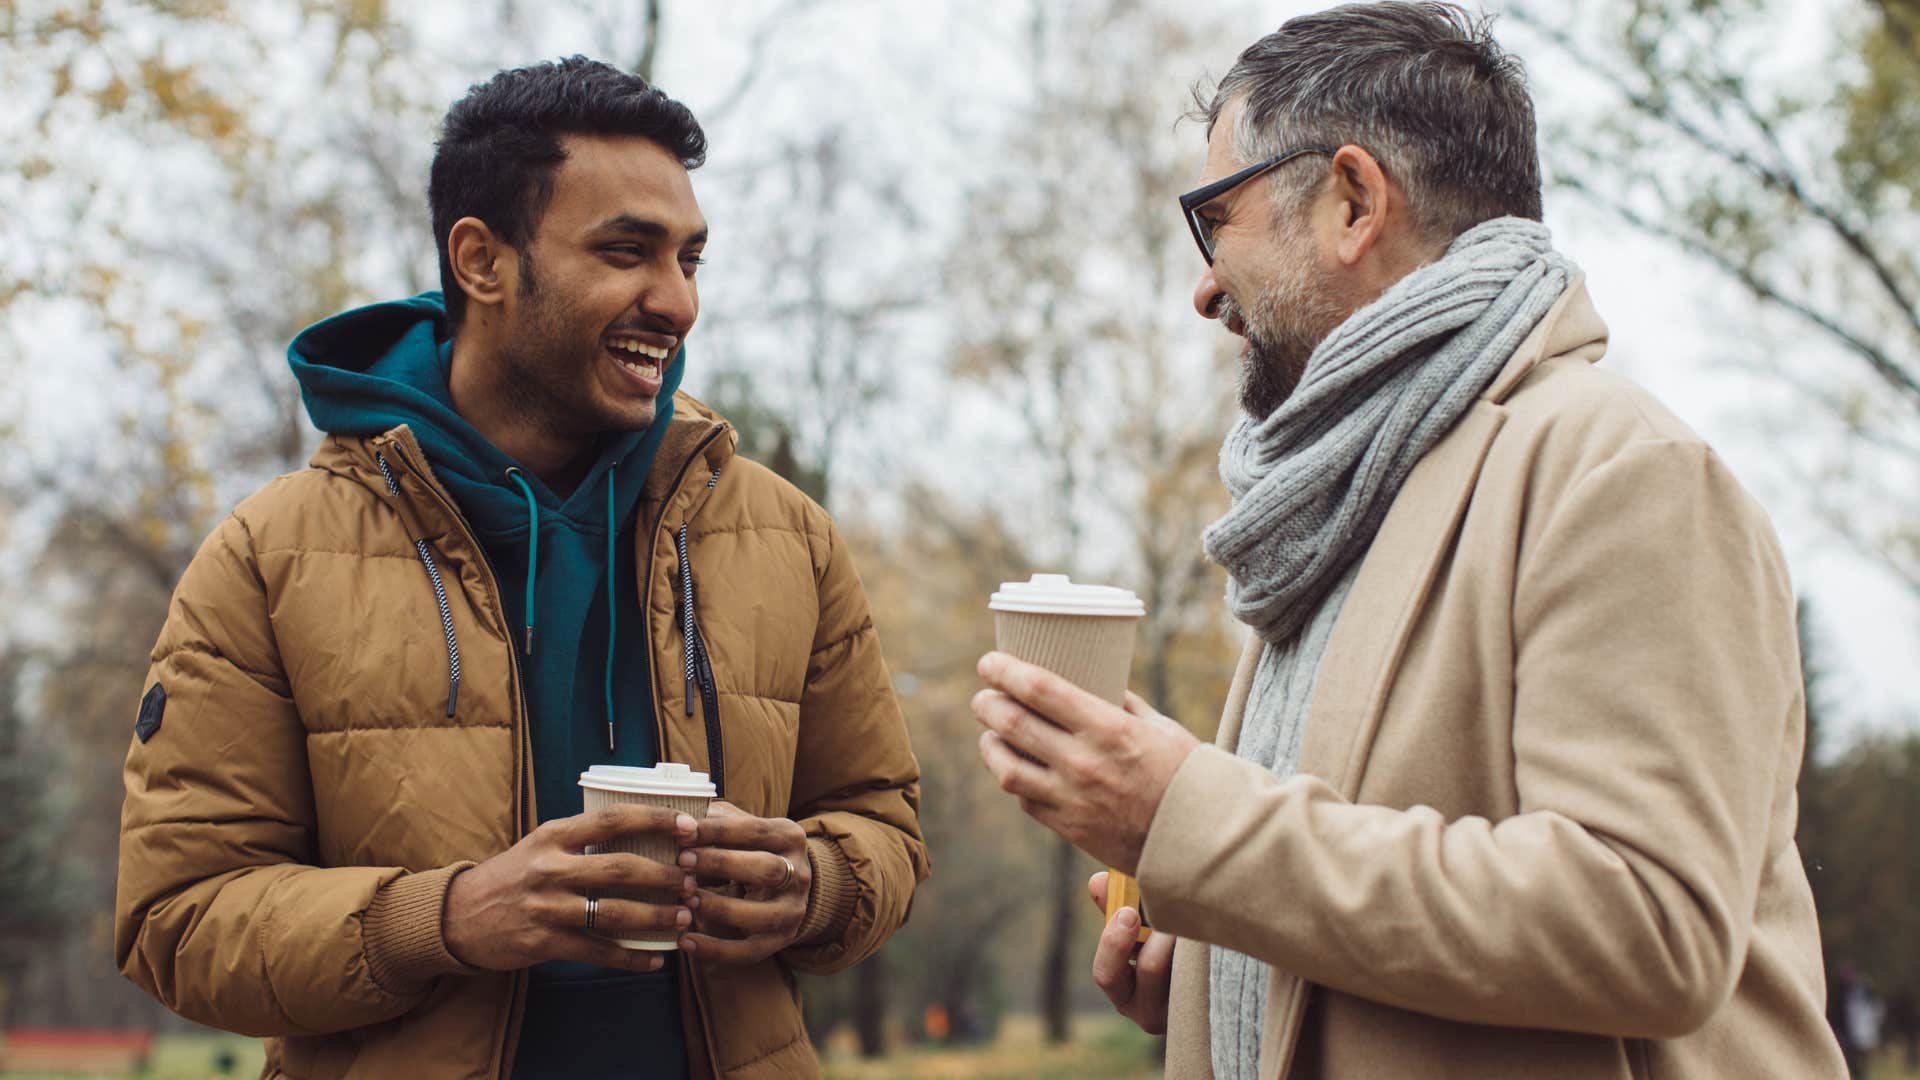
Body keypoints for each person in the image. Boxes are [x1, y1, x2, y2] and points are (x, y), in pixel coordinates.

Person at [969, 4, 1848, 1077]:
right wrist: (1213, 959)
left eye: (1216, 220)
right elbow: (1365, 900)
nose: (1203, 285)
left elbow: (1647, 922)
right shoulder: (1348, 503)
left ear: (1351, 200)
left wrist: (1186, 814)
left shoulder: (1621, 470)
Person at [116, 57, 928, 1080]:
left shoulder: (788, 539)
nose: (675, 302)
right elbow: (174, 921)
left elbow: (884, 828)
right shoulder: (269, 558)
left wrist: (815, 883)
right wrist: (446, 918)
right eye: (627, 251)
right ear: (481, 260)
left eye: (691, 260)